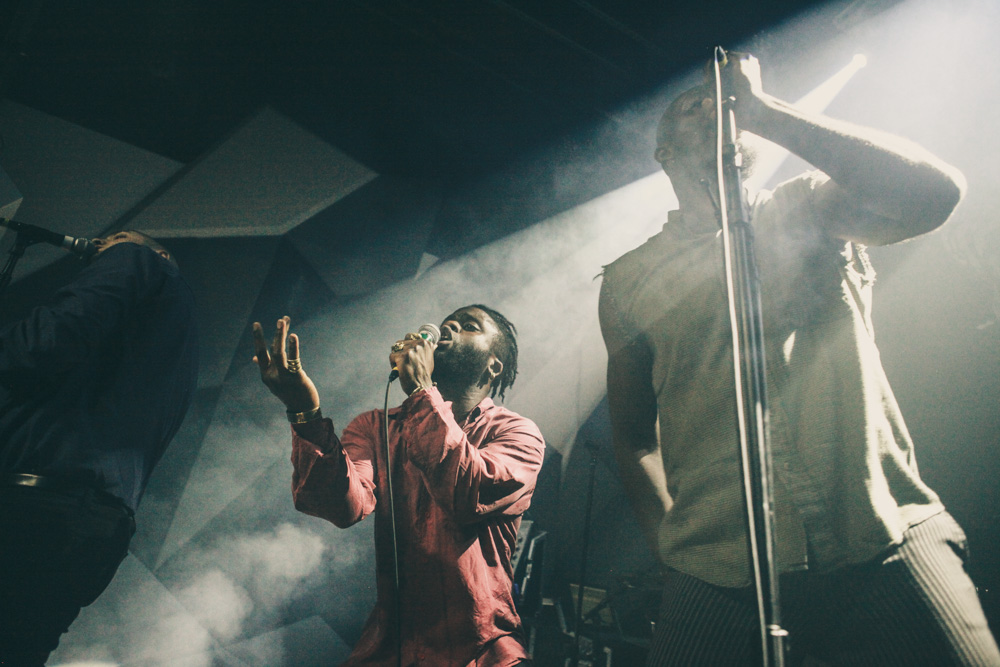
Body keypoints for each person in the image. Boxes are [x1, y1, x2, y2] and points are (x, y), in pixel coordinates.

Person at [598, 53, 1000, 666]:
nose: (715, 106)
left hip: (882, 532)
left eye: (725, 102)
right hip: (716, 568)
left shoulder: (808, 208)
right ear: (664, 153)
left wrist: (765, 112)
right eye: (693, 105)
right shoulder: (630, 279)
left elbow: (935, 193)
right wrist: (671, 552)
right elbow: (632, 435)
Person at [252, 304, 544, 667]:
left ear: (493, 365)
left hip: (482, 651)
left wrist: (422, 390)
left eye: (469, 326)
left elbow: (467, 492)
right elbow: (341, 507)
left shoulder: (517, 433)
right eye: (448, 322)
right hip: (393, 648)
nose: (450, 326)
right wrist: (304, 413)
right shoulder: (376, 426)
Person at [0, 230, 199, 665]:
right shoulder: (176, 339)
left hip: (37, 505)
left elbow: (41, 344)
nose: (101, 243)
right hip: (93, 526)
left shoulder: (141, 261)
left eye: (118, 238)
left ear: (160, 254)